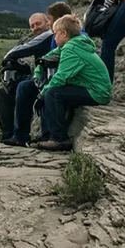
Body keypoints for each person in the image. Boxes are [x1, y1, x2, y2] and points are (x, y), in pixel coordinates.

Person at [34, 14, 111, 151]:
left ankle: (59, 139)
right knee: (53, 91)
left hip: (96, 92)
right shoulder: (73, 44)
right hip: (91, 88)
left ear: (64, 33)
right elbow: (47, 58)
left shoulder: (71, 49)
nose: (54, 37)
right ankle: (48, 135)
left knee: (52, 94)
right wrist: (38, 71)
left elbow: (61, 77)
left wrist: (41, 95)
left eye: (55, 34)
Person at [5, 2, 76, 146]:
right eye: (32, 26)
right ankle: (21, 136)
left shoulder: (65, 38)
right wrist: (38, 72)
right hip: (52, 74)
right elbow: (49, 58)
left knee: (43, 90)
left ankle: (47, 135)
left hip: (65, 78)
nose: (48, 24)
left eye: (47, 20)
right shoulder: (57, 36)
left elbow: (63, 66)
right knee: (25, 87)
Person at [0, 13, 52, 144]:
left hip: (48, 78)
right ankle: (10, 135)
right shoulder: (45, 37)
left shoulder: (47, 35)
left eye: (38, 24)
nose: (35, 28)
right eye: (32, 26)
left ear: (48, 22)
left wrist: (7, 58)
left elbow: (22, 50)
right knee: (3, 92)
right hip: (41, 75)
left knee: (22, 87)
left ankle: (19, 136)